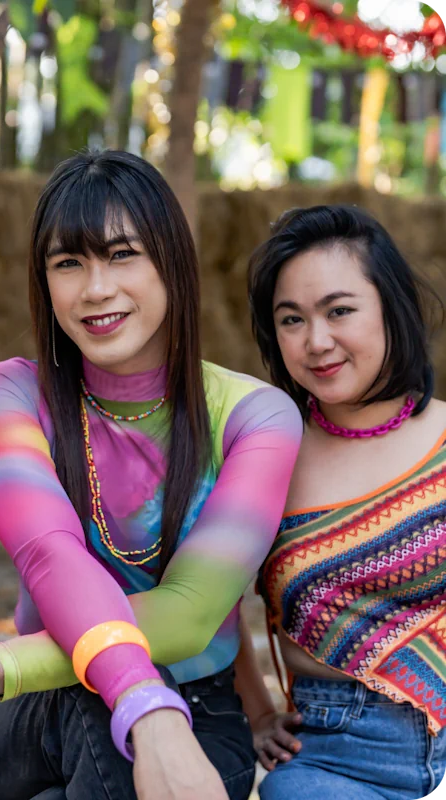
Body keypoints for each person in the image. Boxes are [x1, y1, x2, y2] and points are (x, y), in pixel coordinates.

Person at [0, 150, 302, 800]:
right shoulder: (13, 396)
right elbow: (48, 553)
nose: (96, 288)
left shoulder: (254, 419)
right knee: (101, 714)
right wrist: (144, 705)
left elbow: (191, 617)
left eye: (123, 254)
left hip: (197, 708)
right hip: (38, 710)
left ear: (172, 262)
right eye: (68, 263)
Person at [238, 204, 446, 799]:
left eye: (340, 311)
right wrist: (256, 712)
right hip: (335, 759)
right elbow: (208, 603)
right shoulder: (262, 454)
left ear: (391, 306)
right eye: (292, 319)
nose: (317, 341)